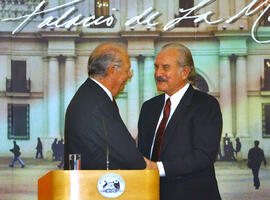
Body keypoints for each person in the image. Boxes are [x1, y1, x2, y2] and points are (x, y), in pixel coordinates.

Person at [138, 43, 223, 200]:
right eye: (156, 67)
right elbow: (142, 153)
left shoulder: (205, 105)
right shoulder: (148, 108)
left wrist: (157, 168)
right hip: (151, 193)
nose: (158, 73)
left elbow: (204, 155)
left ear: (184, 72)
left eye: (165, 68)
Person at [64, 43, 154, 170]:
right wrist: (152, 166)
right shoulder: (97, 103)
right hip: (94, 186)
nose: (129, 75)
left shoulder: (90, 95)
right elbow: (129, 157)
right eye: (127, 70)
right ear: (112, 71)